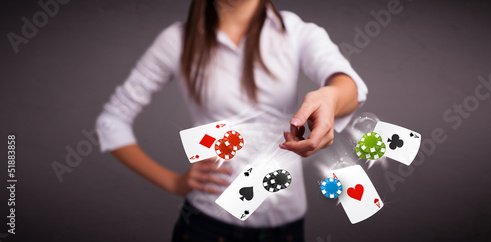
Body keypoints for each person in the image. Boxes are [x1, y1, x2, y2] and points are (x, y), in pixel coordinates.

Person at [96, 0, 368, 241]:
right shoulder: (176, 40)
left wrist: (331, 97)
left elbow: (350, 85)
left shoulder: (295, 31)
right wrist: (173, 182)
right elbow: (112, 121)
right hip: (206, 225)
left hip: (286, 227)